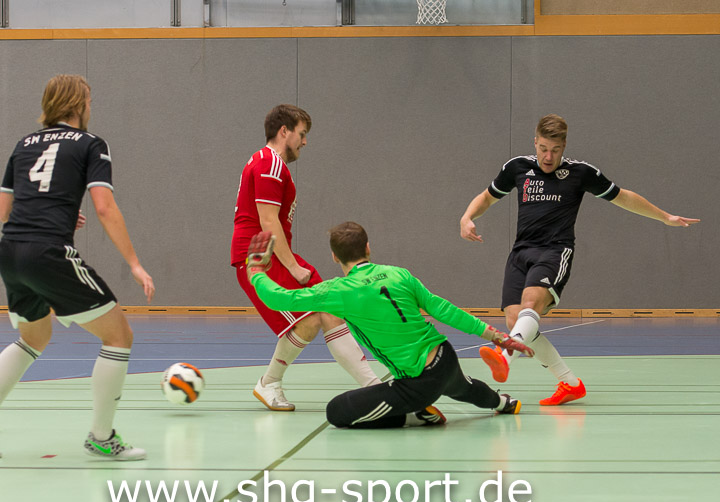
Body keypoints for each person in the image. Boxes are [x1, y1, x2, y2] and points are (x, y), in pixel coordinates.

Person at [0, 74, 155, 460]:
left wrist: (54, 212)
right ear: (78, 104)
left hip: (11, 251)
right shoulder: (91, 144)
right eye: (89, 101)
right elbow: (104, 207)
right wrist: (134, 263)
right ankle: (102, 437)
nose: (91, 107)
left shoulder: (23, 144)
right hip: (48, 252)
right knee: (119, 336)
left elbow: (5, 211)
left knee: (34, 337)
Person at [460, 114, 700, 406]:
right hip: (521, 252)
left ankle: (505, 356)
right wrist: (467, 217)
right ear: (535, 143)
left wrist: (665, 217)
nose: (548, 157)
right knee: (516, 320)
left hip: (554, 251)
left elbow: (623, 197)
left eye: (555, 150)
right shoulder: (517, 167)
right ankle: (570, 383)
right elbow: (487, 197)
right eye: (543, 149)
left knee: (531, 305)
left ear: (564, 146)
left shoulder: (581, 173)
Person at [245, 223, 533, 429]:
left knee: (336, 412)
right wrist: (496, 336)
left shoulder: (338, 290)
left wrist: (256, 270)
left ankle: (415, 414)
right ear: (368, 248)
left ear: (335, 257)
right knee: (462, 386)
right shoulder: (399, 274)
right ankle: (502, 403)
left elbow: (278, 298)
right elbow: (443, 309)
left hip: (418, 384)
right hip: (446, 357)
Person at [230, 104, 380, 411]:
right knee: (309, 320)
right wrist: (293, 267)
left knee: (331, 308)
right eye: (302, 134)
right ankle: (269, 382)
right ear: (284, 131)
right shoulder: (270, 163)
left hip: (274, 253)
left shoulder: (269, 163)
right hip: (260, 258)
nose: (305, 141)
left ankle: (374, 387)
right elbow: (268, 221)